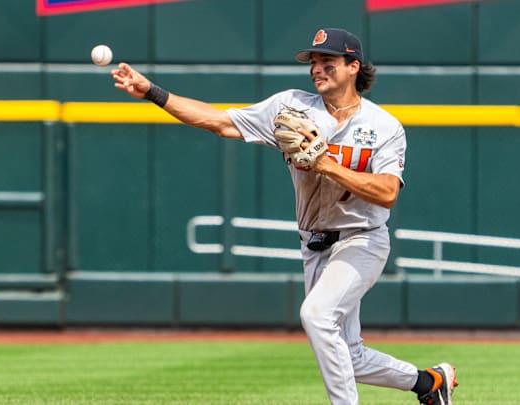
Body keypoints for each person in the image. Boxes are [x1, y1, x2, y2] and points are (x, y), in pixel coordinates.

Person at [111, 27, 457, 405]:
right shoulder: (291, 107)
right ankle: (429, 383)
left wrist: (327, 164)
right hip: (316, 245)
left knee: (317, 315)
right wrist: (151, 92)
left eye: (328, 62)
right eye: (313, 63)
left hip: (362, 239)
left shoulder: (383, 126)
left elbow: (388, 193)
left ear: (353, 66)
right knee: (348, 354)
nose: (317, 69)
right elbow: (220, 121)